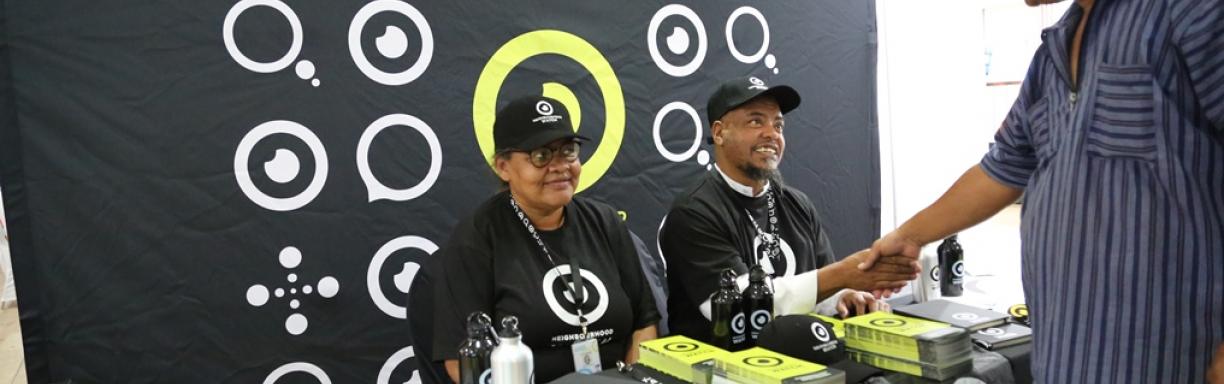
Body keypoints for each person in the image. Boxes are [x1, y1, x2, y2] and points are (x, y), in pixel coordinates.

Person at [862, 0, 1224, 382]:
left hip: (1170, 359)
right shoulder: (1052, 53)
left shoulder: (1189, 12)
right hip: (1065, 355)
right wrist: (909, 235)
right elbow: (1001, 169)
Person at [658, 76, 920, 342]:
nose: (772, 134)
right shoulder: (694, 212)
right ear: (719, 133)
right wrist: (842, 274)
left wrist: (845, 297)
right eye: (755, 121)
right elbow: (736, 307)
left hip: (805, 350)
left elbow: (823, 288)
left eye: (778, 124)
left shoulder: (797, 204)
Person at [430, 96, 659, 382]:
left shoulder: (605, 222)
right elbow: (461, 361)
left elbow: (645, 323)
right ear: (503, 167)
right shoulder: (476, 239)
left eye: (568, 151)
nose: (560, 166)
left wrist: (634, 379)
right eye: (541, 156)